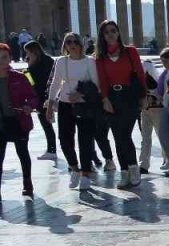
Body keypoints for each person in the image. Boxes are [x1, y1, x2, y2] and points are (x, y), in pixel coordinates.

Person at [93, 19, 146, 188]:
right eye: (106, 32)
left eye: (113, 31)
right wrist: (105, 99)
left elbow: (140, 74)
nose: (110, 34)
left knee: (125, 134)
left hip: (129, 96)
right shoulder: (100, 57)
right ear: (102, 35)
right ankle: (124, 173)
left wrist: (143, 96)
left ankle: (133, 168)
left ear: (118, 33)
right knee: (117, 137)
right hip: (112, 98)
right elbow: (102, 80)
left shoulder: (130, 51)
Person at [44, 32, 99, 190]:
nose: (72, 44)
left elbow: (96, 84)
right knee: (64, 139)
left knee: (85, 141)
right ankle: (74, 168)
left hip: (84, 105)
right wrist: (50, 105)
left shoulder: (89, 61)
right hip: (65, 104)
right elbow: (55, 83)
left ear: (81, 44)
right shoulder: (61, 61)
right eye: (68, 42)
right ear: (65, 46)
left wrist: (80, 94)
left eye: (75, 41)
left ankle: (86, 174)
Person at [0, 43, 38, 199]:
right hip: (1, 124)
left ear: (10, 58)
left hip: (19, 121)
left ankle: (27, 183)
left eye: (4, 57)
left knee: (22, 153)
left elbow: (34, 97)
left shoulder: (21, 76)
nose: (1, 61)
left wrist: (28, 106)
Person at [139, 51, 169, 174]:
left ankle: (168, 160)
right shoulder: (160, 74)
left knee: (161, 136)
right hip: (146, 109)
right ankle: (144, 164)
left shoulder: (165, 75)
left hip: (157, 109)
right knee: (147, 137)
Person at [21, 41, 57, 160]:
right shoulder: (48, 60)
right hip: (46, 96)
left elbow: (31, 82)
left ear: (33, 51)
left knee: (46, 124)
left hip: (42, 97)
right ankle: (51, 149)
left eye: (28, 52)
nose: (27, 55)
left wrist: (28, 69)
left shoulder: (38, 64)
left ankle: (51, 150)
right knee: (48, 124)